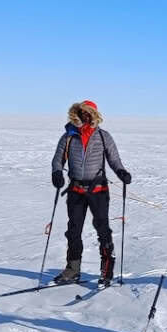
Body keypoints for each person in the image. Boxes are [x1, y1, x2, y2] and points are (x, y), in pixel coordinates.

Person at [50, 100, 132, 287]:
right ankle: (72, 270)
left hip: (98, 191)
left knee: (103, 230)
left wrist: (122, 173)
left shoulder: (103, 136)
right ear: (76, 114)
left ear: (94, 115)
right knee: (73, 230)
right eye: (82, 112)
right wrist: (56, 173)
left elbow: (114, 160)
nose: (85, 116)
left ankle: (107, 271)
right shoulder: (68, 137)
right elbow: (57, 160)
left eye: (89, 113)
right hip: (76, 190)